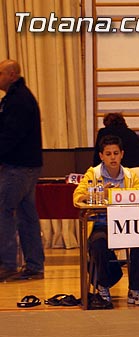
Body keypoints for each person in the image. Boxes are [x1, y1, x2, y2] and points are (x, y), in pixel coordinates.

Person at [73, 135, 139, 306]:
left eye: (116, 153)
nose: (113, 157)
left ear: (122, 154)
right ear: (101, 156)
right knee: (98, 243)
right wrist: (97, 194)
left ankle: (135, 290)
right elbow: (77, 197)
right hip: (102, 224)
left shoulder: (130, 176)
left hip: (127, 225)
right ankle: (103, 286)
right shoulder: (92, 174)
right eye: (108, 154)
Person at [0, 59, 45, 282]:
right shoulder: (19, 97)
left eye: (0, 73)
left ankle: (7, 264)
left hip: (17, 167)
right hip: (29, 166)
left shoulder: (17, 101)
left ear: (11, 75)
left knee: (4, 212)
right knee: (27, 215)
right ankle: (35, 266)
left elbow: (9, 137)